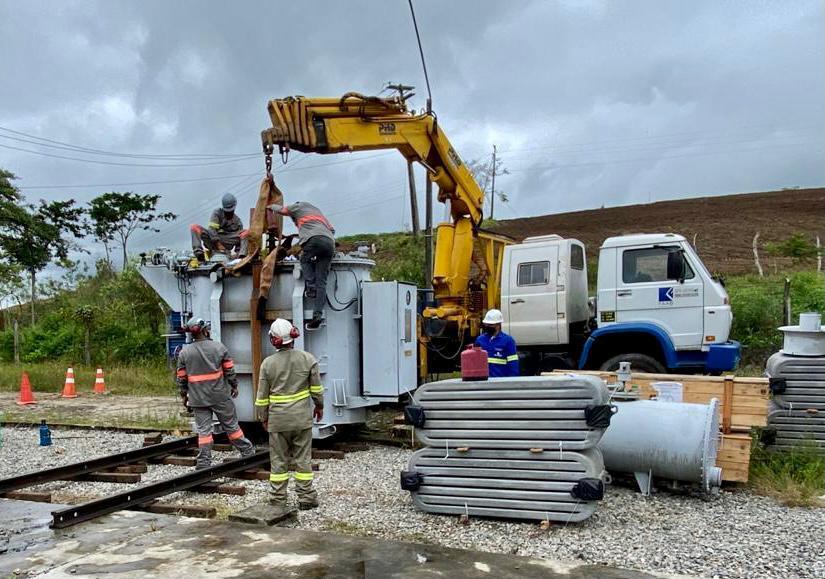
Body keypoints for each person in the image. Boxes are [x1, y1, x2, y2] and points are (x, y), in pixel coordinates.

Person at [255, 318, 324, 515]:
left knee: (278, 461)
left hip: (278, 421)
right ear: (293, 336)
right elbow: (317, 390)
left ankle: (278, 500)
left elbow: (262, 397)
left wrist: (263, 418)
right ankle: (307, 498)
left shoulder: (267, 364)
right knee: (303, 460)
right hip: (302, 419)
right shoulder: (308, 359)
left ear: (273, 340)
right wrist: (319, 407)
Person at [176, 317, 255, 469]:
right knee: (232, 428)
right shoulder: (219, 348)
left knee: (204, 433)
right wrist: (234, 385)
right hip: (220, 397)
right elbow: (229, 370)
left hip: (198, 399)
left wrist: (184, 396)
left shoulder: (184, 353)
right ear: (205, 330)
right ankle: (247, 452)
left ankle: (204, 463)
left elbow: (181, 378)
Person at [268, 201, 335, 328]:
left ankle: (311, 288)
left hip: (313, 239)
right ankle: (317, 315)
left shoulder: (298, 206)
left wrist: (270, 207)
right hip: (329, 243)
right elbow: (332, 230)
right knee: (322, 281)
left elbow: (282, 210)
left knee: (304, 259)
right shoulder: (318, 213)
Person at [190, 193, 249, 262]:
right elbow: (212, 229)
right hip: (213, 240)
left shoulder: (238, 222)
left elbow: (239, 243)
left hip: (228, 241)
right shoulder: (217, 213)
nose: (228, 213)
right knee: (194, 227)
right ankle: (199, 255)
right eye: (227, 211)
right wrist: (218, 244)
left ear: (234, 207)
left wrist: (237, 255)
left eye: (230, 211)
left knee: (246, 232)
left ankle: (241, 258)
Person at [474, 309, 520, 377]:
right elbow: (475, 362)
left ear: (498, 324)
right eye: (487, 324)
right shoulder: (480, 340)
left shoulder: (508, 341)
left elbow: (513, 365)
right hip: (483, 381)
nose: (488, 327)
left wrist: (511, 382)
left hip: (500, 381)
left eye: (491, 324)